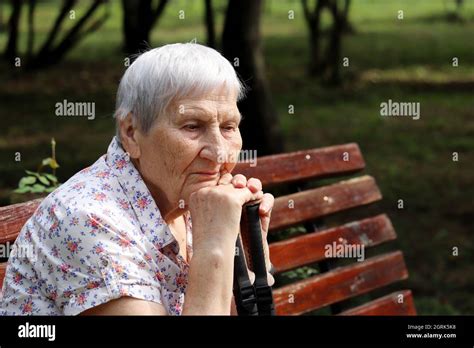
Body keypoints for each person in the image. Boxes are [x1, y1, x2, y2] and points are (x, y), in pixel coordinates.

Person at [0, 43, 274, 315]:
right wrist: (214, 247)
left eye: (228, 127)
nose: (219, 153)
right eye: (192, 126)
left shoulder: (189, 197)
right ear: (131, 133)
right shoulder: (88, 220)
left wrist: (246, 255)